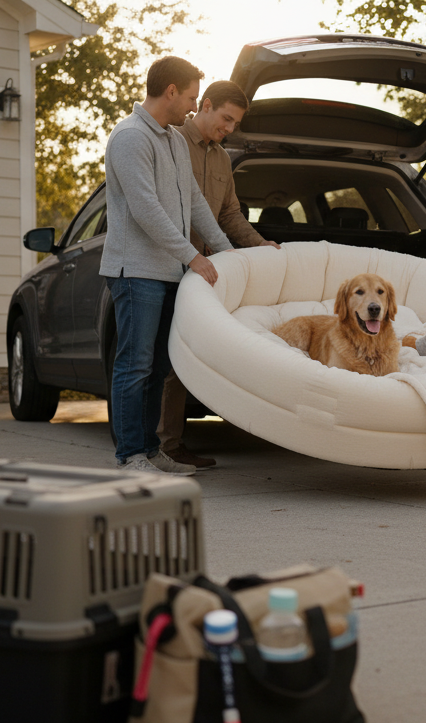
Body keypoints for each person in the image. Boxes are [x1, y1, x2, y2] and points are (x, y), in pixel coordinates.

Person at [101, 56, 233, 475]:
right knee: (134, 364)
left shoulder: (174, 140)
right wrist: (192, 256)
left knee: (159, 366)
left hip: (169, 273)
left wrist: (226, 252)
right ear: (171, 91)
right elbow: (146, 210)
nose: (195, 106)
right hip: (135, 271)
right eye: (192, 97)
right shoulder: (129, 137)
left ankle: (152, 450)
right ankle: (129, 456)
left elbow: (194, 203)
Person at [156, 80, 278, 469]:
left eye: (234, 124)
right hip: (164, 266)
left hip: (207, 273)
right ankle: (152, 446)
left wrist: (260, 246)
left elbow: (228, 216)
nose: (228, 128)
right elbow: (155, 206)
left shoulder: (224, 160)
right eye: (225, 119)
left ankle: (172, 445)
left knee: (185, 357)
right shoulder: (169, 142)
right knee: (159, 359)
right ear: (204, 105)